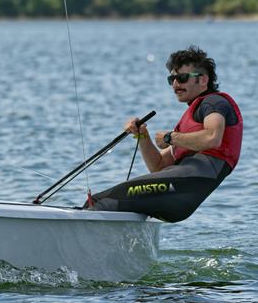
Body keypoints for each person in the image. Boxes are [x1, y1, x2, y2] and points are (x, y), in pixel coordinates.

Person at [85, 45, 242, 222]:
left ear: (203, 80)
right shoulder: (192, 125)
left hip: (185, 189)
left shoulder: (214, 103)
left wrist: (170, 137)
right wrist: (143, 136)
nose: (175, 84)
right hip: (177, 194)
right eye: (172, 79)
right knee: (114, 203)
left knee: (101, 201)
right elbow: (158, 167)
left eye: (182, 78)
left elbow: (213, 137)